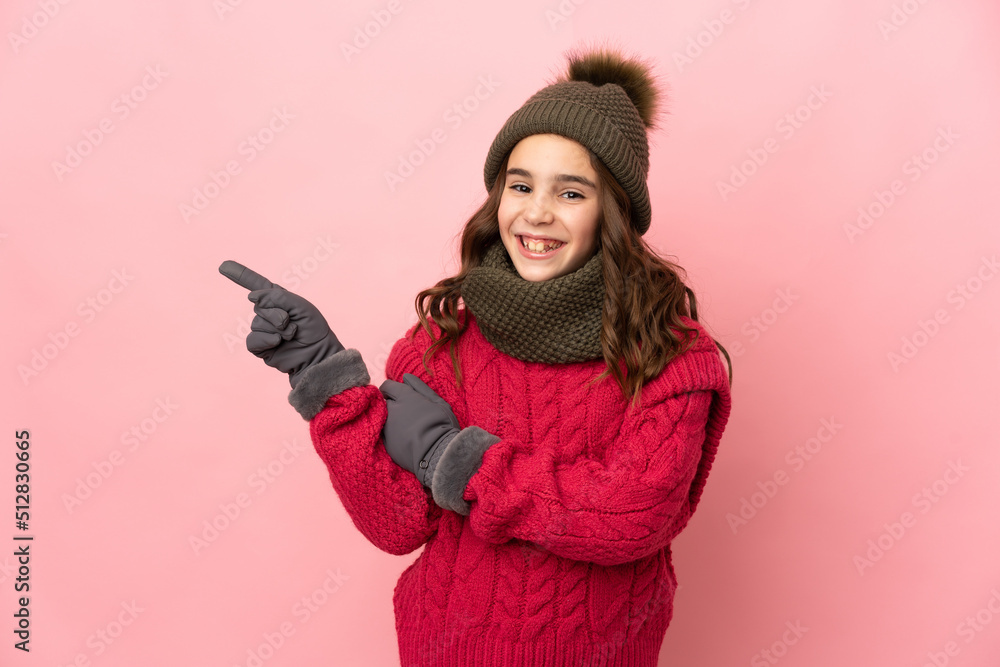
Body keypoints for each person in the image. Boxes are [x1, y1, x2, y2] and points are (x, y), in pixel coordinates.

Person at [220, 46, 732, 667]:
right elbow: (398, 525)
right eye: (520, 185)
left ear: (614, 212)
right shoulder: (444, 342)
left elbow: (633, 514)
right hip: (445, 648)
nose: (536, 212)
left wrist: (457, 461)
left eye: (571, 193)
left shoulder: (672, 359)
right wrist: (325, 380)